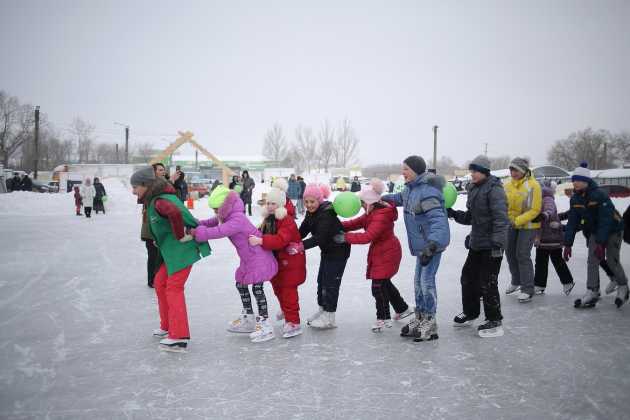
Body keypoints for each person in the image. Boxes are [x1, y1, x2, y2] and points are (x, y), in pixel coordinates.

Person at [130, 167, 210, 352]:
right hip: (172, 251)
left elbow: (174, 213)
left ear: (145, 185)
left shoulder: (160, 201)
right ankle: (167, 326)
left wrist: (179, 235)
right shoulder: (155, 198)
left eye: (135, 187)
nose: (133, 191)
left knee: (173, 287)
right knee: (159, 282)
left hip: (183, 248)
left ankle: (179, 336)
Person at [191, 186, 278, 343]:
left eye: (217, 209)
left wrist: (199, 233)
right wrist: (197, 223)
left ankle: (265, 324)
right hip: (249, 258)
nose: (216, 212)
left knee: (257, 289)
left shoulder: (237, 219)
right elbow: (213, 222)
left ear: (225, 206)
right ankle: (249, 318)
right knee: (241, 284)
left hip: (259, 257)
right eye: (214, 210)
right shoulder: (227, 215)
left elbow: (220, 231)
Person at [382, 155, 450, 342]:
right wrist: (381, 199)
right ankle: (420, 317)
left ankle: (430, 321)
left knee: (427, 282)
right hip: (422, 247)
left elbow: (438, 220)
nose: (403, 172)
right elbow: (397, 198)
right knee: (418, 282)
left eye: (406, 169)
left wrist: (432, 244)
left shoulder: (428, 192)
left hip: (431, 246)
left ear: (416, 170)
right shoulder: (411, 190)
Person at [338, 179, 413, 332]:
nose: (360, 205)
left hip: (387, 253)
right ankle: (402, 308)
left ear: (369, 203)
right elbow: (355, 223)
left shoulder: (381, 215)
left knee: (378, 286)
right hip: (382, 251)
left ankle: (383, 318)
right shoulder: (373, 212)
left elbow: (367, 236)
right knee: (385, 284)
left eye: (361, 202)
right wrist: (337, 225)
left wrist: (345, 237)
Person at [447, 155, 509, 338]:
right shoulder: (474, 188)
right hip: (477, 243)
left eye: (475, 171)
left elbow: (501, 219)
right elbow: (472, 217)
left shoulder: (495, 190)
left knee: (487, 282)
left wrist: (498, 243)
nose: (472, 174)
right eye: (471, 171)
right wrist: (453, 213)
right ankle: (471, 312)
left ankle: (494, 319)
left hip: (492, 245)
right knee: (468, 277)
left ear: (484, 171)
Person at [563, 163, 628, 308]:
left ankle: (623, 286)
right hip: (595, 230)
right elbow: (573, 222)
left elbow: (606, 221)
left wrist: (601, 242)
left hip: (613, 229)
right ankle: (592, 291)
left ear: (586, 181)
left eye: (579, 180)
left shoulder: (599, 195)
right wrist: (567, 244)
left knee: (612, 260)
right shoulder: (575, 199)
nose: (575, 183)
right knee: (592, 260)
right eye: (574, 180)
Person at [248, 187, 307, 338]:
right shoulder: (269, 219)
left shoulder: (286, 220)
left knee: (288, 292)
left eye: (273, 203)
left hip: (290, 263)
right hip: (276, 263)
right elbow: (260, 232)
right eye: (268, 203)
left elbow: (281, 240)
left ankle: (293, 322)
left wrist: (261, 241)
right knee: (278, 290)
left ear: (280, 204)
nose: (269, 206)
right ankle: (287, 313)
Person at [299, 183, 351, 329]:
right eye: (306, 202)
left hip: (339, 251)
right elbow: (302, 231)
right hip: (328, 251)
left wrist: (300, 246)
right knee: (321, 281)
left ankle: (330, 316)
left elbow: (320, 238)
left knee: (331, 284)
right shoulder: (311, 213)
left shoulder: (326, 214)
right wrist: (289, 238)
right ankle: (323, 310)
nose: (309, 205)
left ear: (319, 200)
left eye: (312, 201)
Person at [504, 157, 542, 303]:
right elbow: (503, 204)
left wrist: (517, 220)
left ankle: (527, 288)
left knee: (522, 254)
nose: (513, 172)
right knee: (510, 252)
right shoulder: (507, 185)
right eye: (511, 169)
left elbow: (535, 209)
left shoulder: (533, 186)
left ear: (524, 170)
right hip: (511, 224)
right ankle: (516, 281)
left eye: (516, 170)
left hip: (528, 225)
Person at [533, 181, 575, 295]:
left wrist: (545, 215)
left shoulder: (547, 198)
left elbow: (550, 210)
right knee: (541, 261)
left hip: (552, 235)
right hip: (543, 236)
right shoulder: (537, 199)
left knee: (557, 260)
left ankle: (568, 282)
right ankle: (539, 284)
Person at [141, 163, 168, 288]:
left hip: (160, 226)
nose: (163, 172)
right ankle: (152, 280)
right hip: (151, 228)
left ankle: (158, 278)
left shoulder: (164, 184)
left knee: (160, 255)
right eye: (160, 170)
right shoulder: (150, 186)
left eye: (164, 170)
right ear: (154, 172)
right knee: (153, 255)